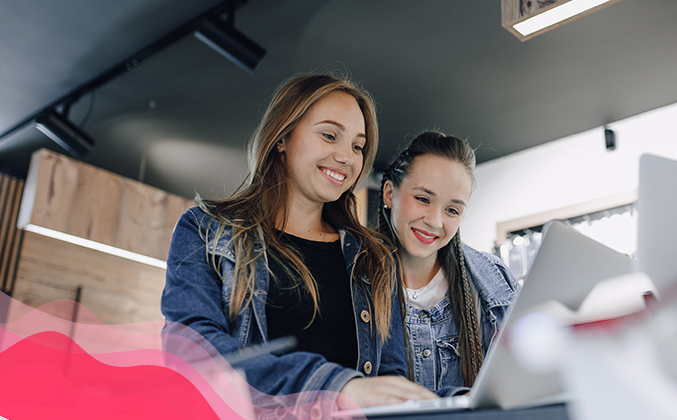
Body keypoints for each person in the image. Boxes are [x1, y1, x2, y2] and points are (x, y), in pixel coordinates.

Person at [161, 73, 436, 409]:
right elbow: (190, 350)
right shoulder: (206, 230)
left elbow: (389, 380)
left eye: (357, 146)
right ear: (282, 137)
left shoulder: (374, 258)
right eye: (330, 135)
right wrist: (334, 386)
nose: (347, 157)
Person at [377, 132, 519, 393]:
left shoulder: (494, 280)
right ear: (389, 193)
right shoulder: (351, 276)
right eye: (423, 199)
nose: (435, 221)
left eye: (452, 210)